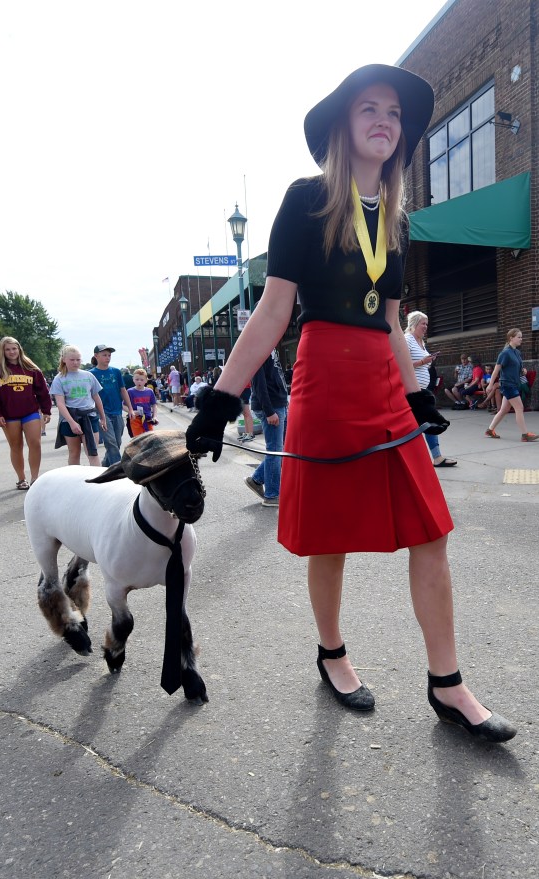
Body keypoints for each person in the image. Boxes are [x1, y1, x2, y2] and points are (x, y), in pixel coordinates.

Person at [185, 64, 516, 743]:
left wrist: (420, 397)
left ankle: (447, 683)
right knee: (329, 536)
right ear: (344, 125)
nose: (384, 121)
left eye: (394, 114)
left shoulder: (397, 220)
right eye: (369, 108)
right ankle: (332, 653)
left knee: (431, 527)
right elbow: (275, 310)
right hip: (325, 381)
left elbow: (392, 321)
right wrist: (221, 399)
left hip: (381, 383)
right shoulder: (306, 200)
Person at [0, 336, 52, 488]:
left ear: (19, 349)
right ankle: (22, 479)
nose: (11, 352)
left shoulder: (31, 368)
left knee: (35, 443)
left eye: (14, 348)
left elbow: (42, 390)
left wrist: (46, 410)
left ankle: (35, 478)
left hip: (30, 412)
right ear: (2, 351)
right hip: (9, 415)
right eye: (8, 349)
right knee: (16, 446)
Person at [404, 311, 456, 467]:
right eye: (423, 323)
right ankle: (435, 457)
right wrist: (422, 361)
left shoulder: (421, 342)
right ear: (413, 324)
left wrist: (428, 361)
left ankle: (433, 457)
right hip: (412, 391)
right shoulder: (407, 340)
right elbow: (401, 364)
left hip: (422, 390)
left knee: (425, 422)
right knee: (427, 421)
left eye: (427, 324)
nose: (426, 327)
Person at [244, 348, 288, 506]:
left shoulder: (270, 346)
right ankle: (271, 495)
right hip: (272, 407)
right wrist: (269, 411)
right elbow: (258, 382)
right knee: (275, 450)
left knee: (278, 450)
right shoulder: (260, 347)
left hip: (278, 404)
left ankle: (256, 479)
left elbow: (276, 377)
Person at [50, 345, 107, 465]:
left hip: (89, 416)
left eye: (78, 359)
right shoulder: (59, 378)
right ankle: (74, 480)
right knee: (74, 453)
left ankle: (97, 480)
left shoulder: (88, 375)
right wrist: (72, 422)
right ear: (64, 359)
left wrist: (103, 417)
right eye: (72, 360)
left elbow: (96, 397)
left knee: (92, 452)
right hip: (70, 418)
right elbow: (60, 404)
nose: (75, 362)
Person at [485, 328, 537, 442]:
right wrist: (490, 385)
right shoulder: (505, 353)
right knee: (519, 407)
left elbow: (517, 367)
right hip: (508, 385)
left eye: (521, 337)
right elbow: (496, 370)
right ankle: (525, 435)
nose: (521, 339)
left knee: (504, 410)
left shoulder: (517, 352)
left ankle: (490, 430)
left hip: (515, 383)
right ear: (511, 338)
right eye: (519, 337)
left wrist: (523, 370)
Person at [89, 344, 135, 466]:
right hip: (102, 412)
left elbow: (123, 390)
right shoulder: (90, 374)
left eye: (109, 355)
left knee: (117, 442)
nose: (107, 357)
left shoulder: (116, 372)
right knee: (111, 442)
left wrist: (130, 408)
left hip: (117, 411)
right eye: (104, 355)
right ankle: (119, 470)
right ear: (96, 356)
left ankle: (105, 466)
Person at [127, 368, 158, 436]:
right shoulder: (130, 391)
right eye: (137, 379)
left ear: (146, 380)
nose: (139, 382)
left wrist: (155, 416)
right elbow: (123, 405)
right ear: (133, 380)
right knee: (139, 439)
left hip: (148, 419)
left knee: (150, 439)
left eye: (142, 380)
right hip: (135, 419)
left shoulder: (149, 391)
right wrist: (131, 411)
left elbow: (154, 405)